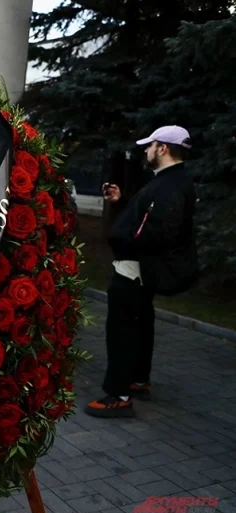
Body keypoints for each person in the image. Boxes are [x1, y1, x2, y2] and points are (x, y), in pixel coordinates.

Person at [86, 126, 198, 418]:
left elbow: (161, 231)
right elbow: (149, 218)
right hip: (141, 270)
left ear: (163, 148)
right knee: (140, 324)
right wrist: (123, 201)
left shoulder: (170, 185)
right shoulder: (169, 180)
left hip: (134, 271)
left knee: (121, 332)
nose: (146, 150)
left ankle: (119, 396)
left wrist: (121, 240)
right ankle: (138, 379)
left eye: (150, 145)